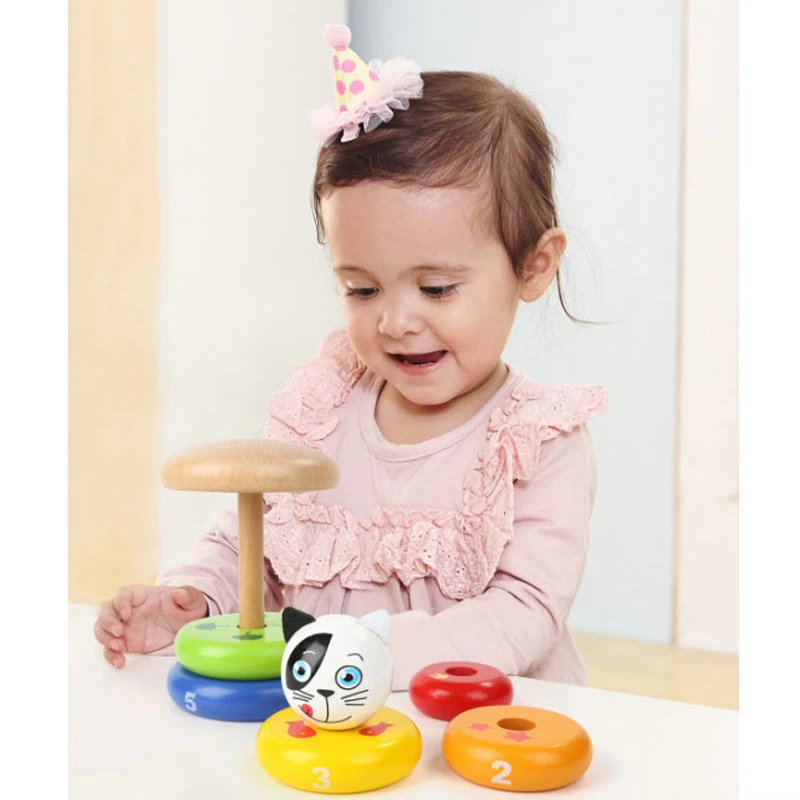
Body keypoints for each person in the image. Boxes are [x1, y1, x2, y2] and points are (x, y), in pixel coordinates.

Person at [94, 24, 607, 690]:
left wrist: (363, 651)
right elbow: (248, 543)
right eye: (362, 289)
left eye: (436, 288)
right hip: (329, 721)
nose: (395, 321)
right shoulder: (323, 407)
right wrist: (196, 600)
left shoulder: (538, 443)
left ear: (533, 266)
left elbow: (523, 612)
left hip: (473, 724)